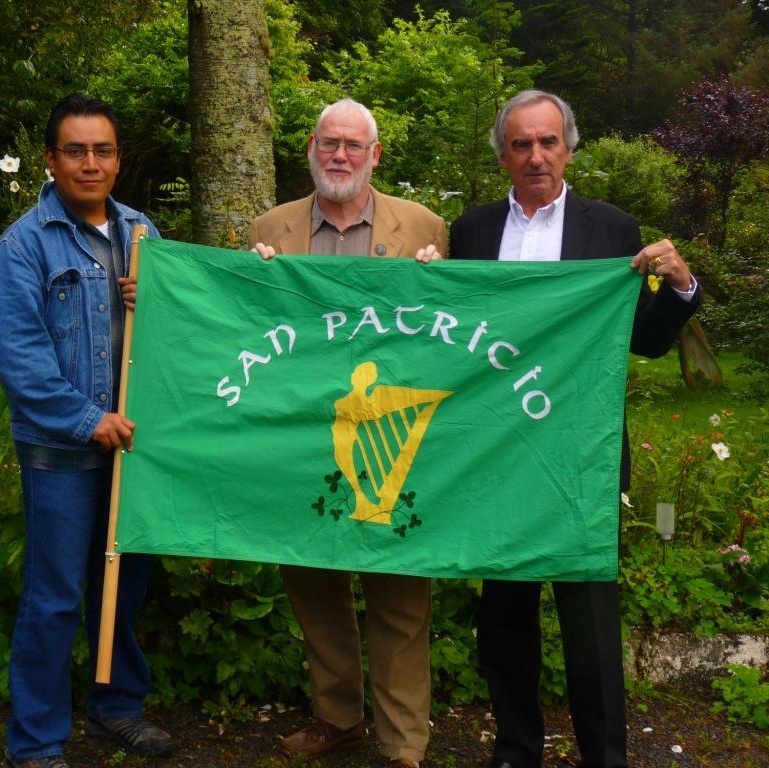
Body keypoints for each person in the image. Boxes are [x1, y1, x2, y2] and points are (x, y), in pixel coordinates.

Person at [422, 89, 701, 768]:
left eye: (548, 142)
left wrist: (682, 286)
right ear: (503, 156)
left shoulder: (612, 229)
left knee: (590, 626)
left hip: (581, 455)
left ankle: (603, 756)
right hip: (498, 453)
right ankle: (517, 747)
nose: (536, 156)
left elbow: (643, 340)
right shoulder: (473, 232)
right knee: (505, 620)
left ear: (569, 149)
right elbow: (454, 337)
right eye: (521, 144)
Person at [249, 98, 446, 768]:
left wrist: (437, 281)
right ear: (310, 147)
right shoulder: (270, 228)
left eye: (353, 146)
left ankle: (403, 745)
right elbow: (245, 330)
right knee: (314, 585)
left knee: (400, 595)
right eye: (329, 143)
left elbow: (458, 329)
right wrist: (250, 281)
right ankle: (338, 720)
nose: (339, 155)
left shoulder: (423, 227)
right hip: (305, 438)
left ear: (375, 155)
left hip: (391, 430)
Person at [0, 94, 175, 768]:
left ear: (118, 160)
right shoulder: (24, 245)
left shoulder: (144, 233)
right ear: (51, 159)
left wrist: (151, 302)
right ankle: (36, 742)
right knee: (56, 595)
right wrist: (87, 419)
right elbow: (18, 356)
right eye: (75, 150)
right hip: (62, 452)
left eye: (102, 150)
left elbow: (178, 336)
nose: (89, 163)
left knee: (122, 585)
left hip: (135, 450)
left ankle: (116, 706)